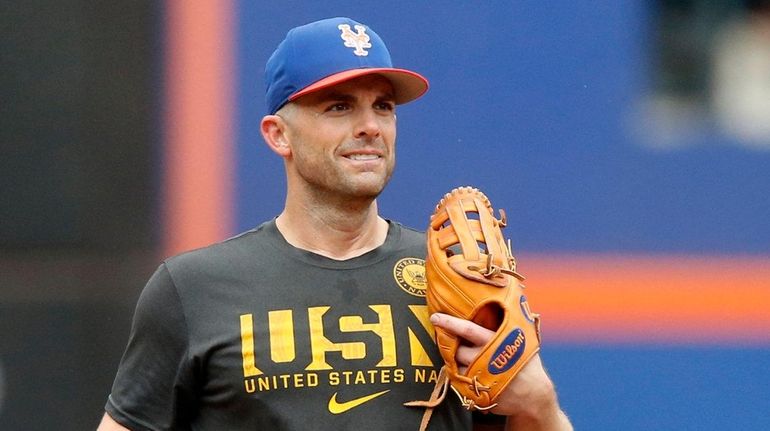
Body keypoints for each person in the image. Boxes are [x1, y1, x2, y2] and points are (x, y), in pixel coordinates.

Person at [97, 17, 572, 431]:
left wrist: (539, 402)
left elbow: (530, 412)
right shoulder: (195, 289)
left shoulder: (453, 276)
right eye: (339, 106)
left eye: (382, 106)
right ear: (278, 134)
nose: (370, 126)